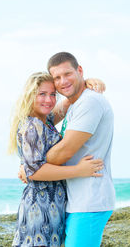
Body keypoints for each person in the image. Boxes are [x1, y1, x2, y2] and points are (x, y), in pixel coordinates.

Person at [8, 72, 106, 247]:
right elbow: (36, 171)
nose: (49, 100)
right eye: (42, 94)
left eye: (53, 94)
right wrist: (78, 171)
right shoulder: (33, 125)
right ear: (30, 96)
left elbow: (68, 101)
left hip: (53, 205)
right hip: (40, 207)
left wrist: (86, 83)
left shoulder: (45, 120)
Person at [44, 52, 115, 247]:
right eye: (57, 78)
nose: (63, 81)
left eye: (68, 74)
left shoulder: (89, 102)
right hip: (76, 202)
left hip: (90, 200)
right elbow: (46, 119)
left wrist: (33, 166)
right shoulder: (75, 103)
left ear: (80, 70)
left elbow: (65, 151)